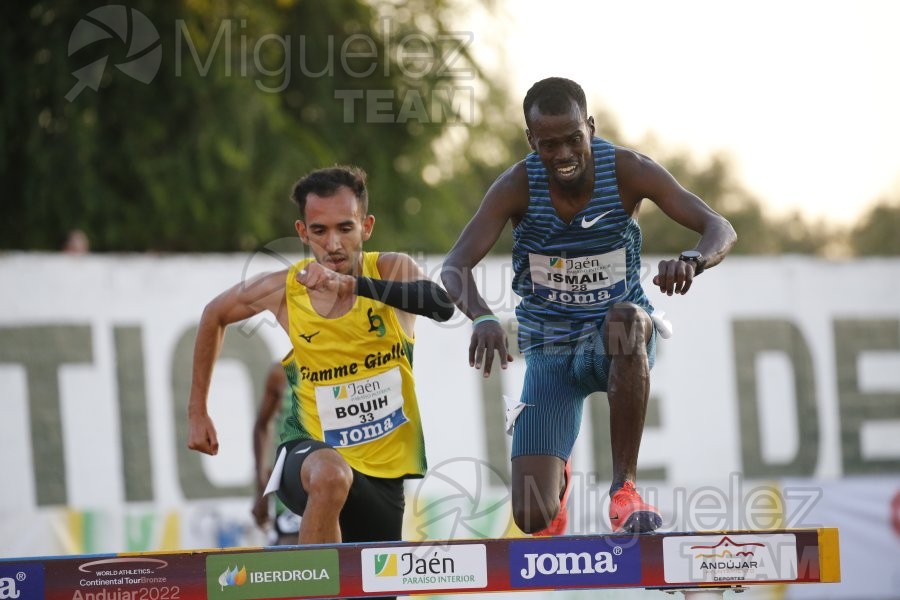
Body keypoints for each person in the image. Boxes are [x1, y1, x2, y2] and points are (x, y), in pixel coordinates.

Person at [440, 77, 737, 536]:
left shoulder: (629, 171)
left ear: (591, 127)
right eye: (548, 143)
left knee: (625, 318)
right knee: (531, 517)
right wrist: (480, 316)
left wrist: (694, 260)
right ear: (530, 140)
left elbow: (719, 227)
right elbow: (455, 264)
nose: (562, 155)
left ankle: (625, 490)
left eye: (573, 139)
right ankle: (558, 479)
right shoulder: (516, 185)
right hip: (551, 351)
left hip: (615, 342)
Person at [188, 166, 454, 555]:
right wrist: (198, 411)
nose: (333, 244)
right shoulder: (286, 289)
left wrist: (354, 285)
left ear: (367, 226)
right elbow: (215, 314)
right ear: (302, 232)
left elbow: (442, 305)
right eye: (319, 231)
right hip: (309, 456)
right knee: (331, 474)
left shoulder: (390, 269)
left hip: (383, 473)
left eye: (345, 228)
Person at [251, 360, 301, 545]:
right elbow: (262, 425)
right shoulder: (282, 372)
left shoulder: (347, 366)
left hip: (340, 488)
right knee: (293, 558)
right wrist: (261, 488)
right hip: (292, 494)